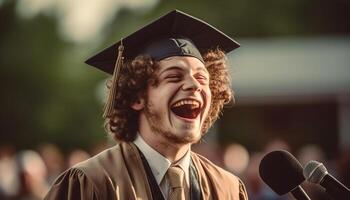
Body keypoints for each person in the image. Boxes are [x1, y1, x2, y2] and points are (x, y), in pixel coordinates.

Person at [45, 10, 248, 200]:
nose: (194, 85)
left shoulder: (227, 189)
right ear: (137, 97)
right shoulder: (91, 183)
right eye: (174, 76)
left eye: (202, 78)